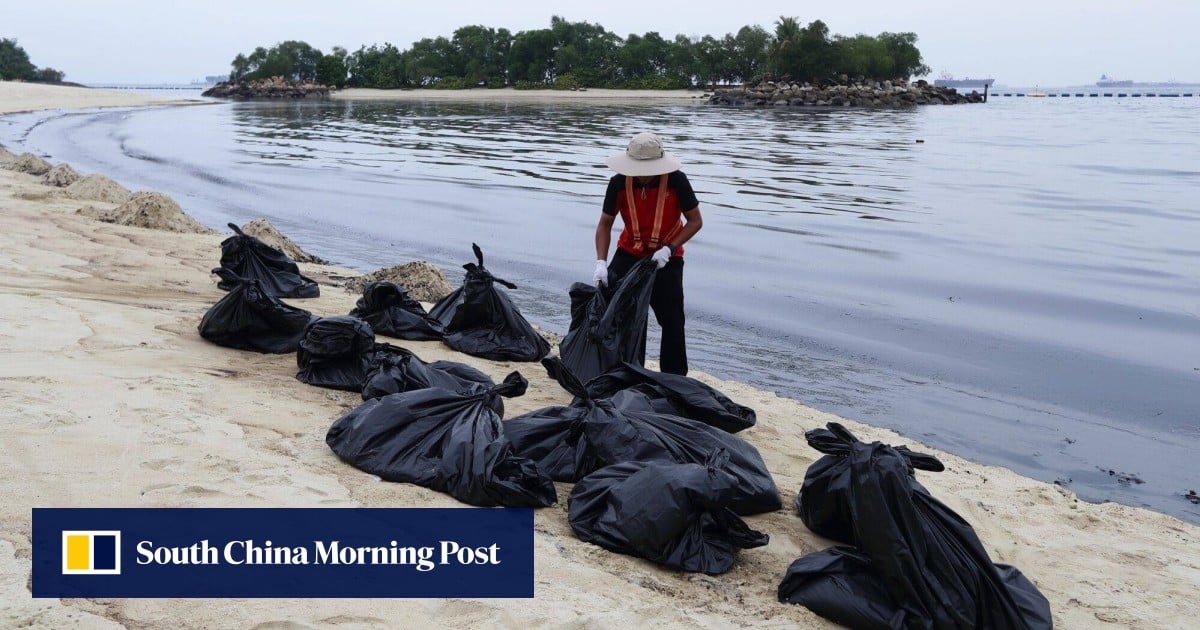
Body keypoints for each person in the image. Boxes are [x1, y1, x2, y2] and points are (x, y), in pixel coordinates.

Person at [593, 131, 703, 376]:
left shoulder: (677, 181)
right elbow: (605, 224)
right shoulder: (618, 183)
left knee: (673, 321)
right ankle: (624, 369)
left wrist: (669, 249)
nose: (642, 175)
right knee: (618, 313)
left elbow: (695, 221)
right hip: (629, 252)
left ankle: (673, 379)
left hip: (666, 258)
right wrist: (601, 262)